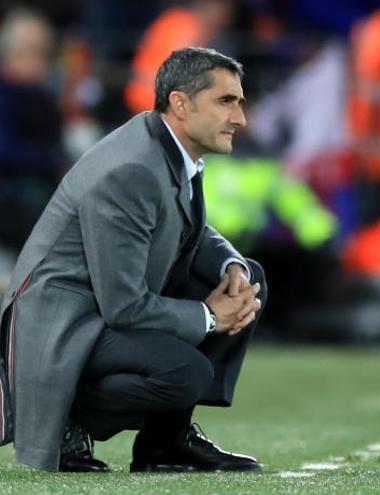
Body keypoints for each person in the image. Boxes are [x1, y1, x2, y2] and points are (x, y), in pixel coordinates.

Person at [0, 47, 266, 473]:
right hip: (62, 322)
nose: (240, 118)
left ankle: (166, 443)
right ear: (180, 103)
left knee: (249, 279)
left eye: (240, 103)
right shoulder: (133, 169)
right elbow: (123, 305)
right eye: (225, 102)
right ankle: (69, 410)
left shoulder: (166, 144)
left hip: (99, 308)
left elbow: (182, 227)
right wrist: (210, 317)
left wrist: (231, 266)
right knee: (185, 374)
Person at [0, 7, 64, 253]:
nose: (43, 62)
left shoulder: (41, 95)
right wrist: (52, 162)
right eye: (35, 52)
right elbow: (5, 149)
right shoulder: (6, 93)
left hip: (39, 191)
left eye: (46, 53)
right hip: (13, 197)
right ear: (12, 53)